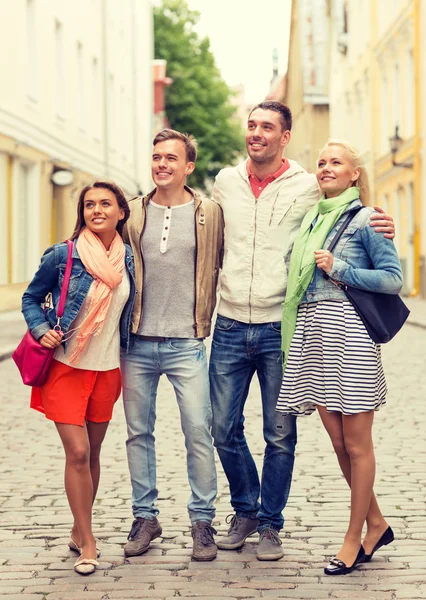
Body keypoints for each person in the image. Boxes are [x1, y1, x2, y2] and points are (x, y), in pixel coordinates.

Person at [210, 101, 395, 561]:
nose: (256, 133)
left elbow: (382, 262)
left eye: (267, 127)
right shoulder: (227, 184)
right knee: (225, 428)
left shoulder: (313, 190)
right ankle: (250, 509)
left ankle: (277, 524)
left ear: (285, 136)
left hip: (296, 329)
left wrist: (378, 225)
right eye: (251, 125)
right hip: (249, 323)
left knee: (285, 434)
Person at [277, 139, 401, 575]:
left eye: (337, 163)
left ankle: (355, 539)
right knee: (336, 440)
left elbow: (392, 279)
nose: (326, 167)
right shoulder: (312, 217)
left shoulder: (368, 219)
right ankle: (377, 523)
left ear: (354, 175)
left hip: (348, 335)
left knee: (356, 442)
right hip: (313, 333)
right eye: (322, 161)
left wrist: (339, 268)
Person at [21, 181, 136, 576]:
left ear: (122, 211)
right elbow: (30, 298)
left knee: (95, 454)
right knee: (79, 453)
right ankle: (88, 541)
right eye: (90, 204)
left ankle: (77, 524)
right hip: (66, 367)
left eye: (106, 204)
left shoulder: (129, 261)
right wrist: (41, 330)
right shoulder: (63, 255)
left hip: (106, 370)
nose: (97, 210)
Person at [121, 129, 223, 562]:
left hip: (187, 342)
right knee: (138, 433)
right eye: (156, 157)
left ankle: (203, 520)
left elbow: (228, 258)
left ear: (188, 167)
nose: (161, 164)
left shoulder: (211, 213)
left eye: (171, 158)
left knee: (198, 431)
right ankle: (145, 517)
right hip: (137, 342)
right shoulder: (131, 212)